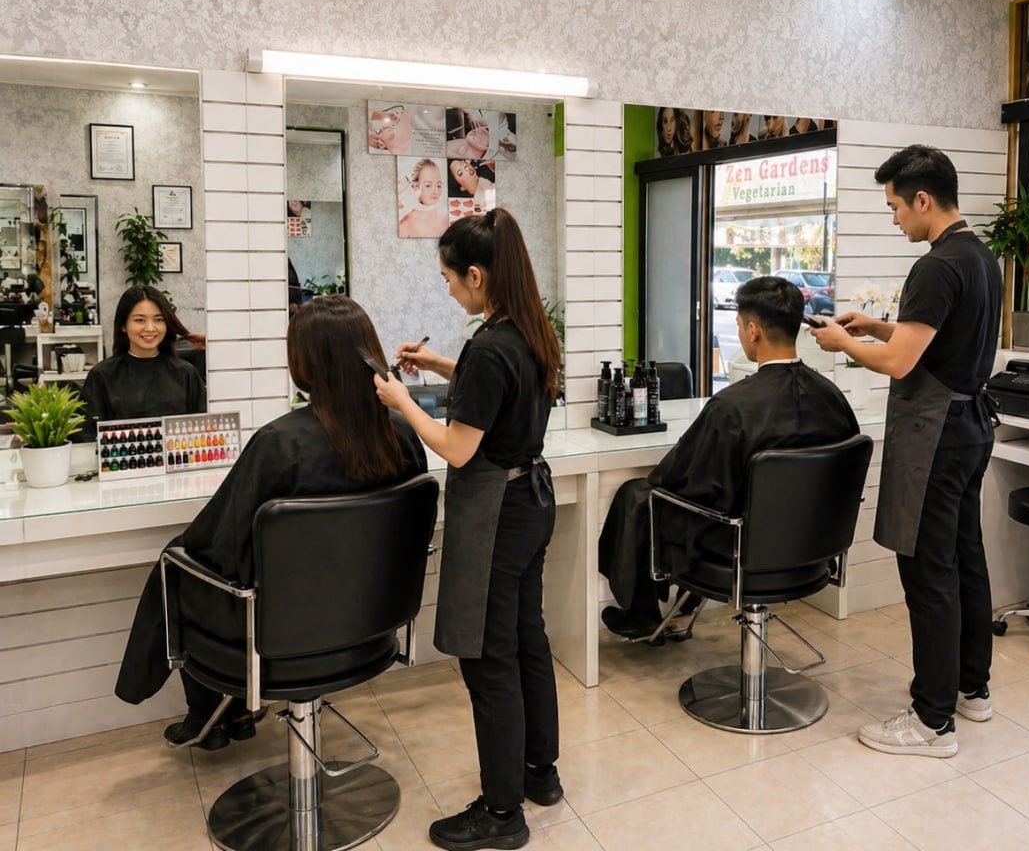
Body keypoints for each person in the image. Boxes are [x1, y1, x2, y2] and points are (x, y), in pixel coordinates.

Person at [113, 296, 427, 750]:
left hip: (279, 639)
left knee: (177, 560)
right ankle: (231, 709)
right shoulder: (400, 432)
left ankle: (211, 711)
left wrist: (186, 546)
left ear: (301, 361)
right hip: (372, 626)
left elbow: (219, 544)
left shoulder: (281, 444)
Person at [374, 208, 561, 851]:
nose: (448, 289)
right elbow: (495, 387)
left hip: (498, 515)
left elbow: (456, 449)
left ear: (477, 275)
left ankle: (503, 813)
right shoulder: (527, 330)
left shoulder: (492, 345)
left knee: (490, 660)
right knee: (527, 638)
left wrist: (402, 400)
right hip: (533, 500)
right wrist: (442, 364)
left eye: (450, 278)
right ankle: (540, 771)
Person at [809, 145, 1001, 758]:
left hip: (936, 436)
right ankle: (972, 689)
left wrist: (842, 341)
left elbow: (899, 364)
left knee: (928, 568)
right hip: (972, 424)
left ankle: (931, 720)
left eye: (895, 207)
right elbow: (928, 341)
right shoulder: (980, 256)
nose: (895, 220)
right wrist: (876, 325)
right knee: (965, 557)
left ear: (923, 200)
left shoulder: (936, 266)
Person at [598, 276, 860, 638]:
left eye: (738, 325)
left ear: (753, 330)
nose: (739, 333)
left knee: (642, 495)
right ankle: (677, 609)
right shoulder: (832, 396)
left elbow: (677, 479)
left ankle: (644, 613)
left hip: (740, 550)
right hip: (816, 550)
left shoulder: (732, 406)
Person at [76, 286, 206, 438]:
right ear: (124, 325)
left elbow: (201, 432)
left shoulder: (186, 373)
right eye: (140, 320)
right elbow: (87, 437)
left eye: (158, 319)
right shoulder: (101, 376)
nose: (150, 328)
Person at [399, 158, 449, 238]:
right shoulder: (406, 223)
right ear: (416, 186)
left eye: (439, 185)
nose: (435, 191)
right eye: (428, 185)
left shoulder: (446, 217)